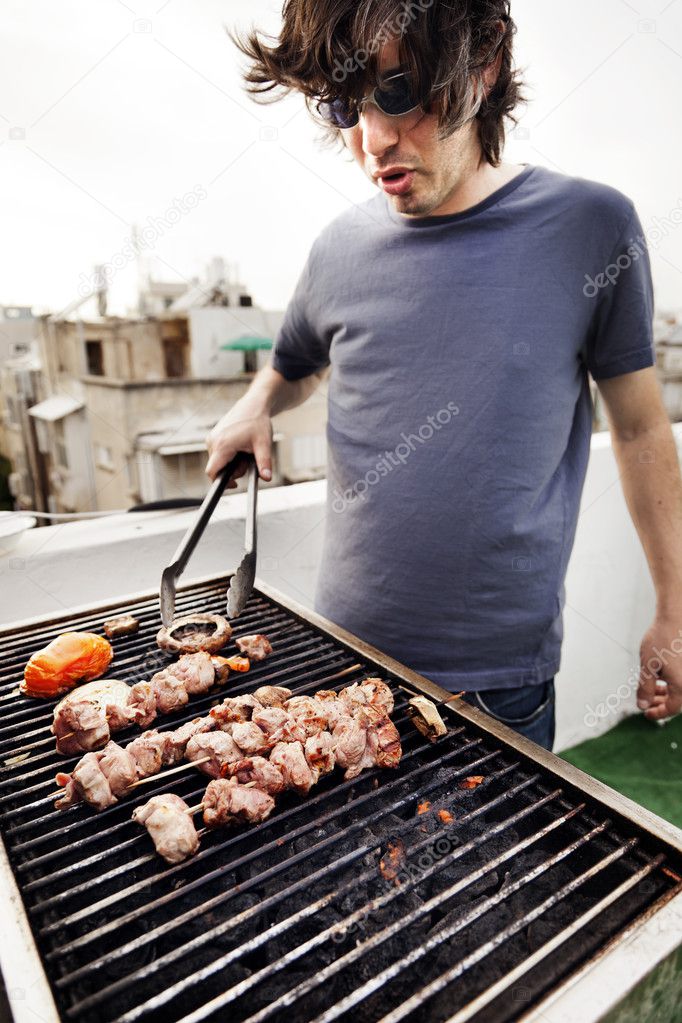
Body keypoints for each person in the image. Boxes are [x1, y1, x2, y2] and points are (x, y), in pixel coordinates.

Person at [206, 0, 682, 750]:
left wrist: (674, 608)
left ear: (484, 66)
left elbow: (640, 425)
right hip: (341, 663)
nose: (373, 140)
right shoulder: (338, 248)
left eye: (398, 94)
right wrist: (257, 401)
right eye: (344, 105)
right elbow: (292, 364)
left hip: (499, 687)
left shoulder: (593, 228)